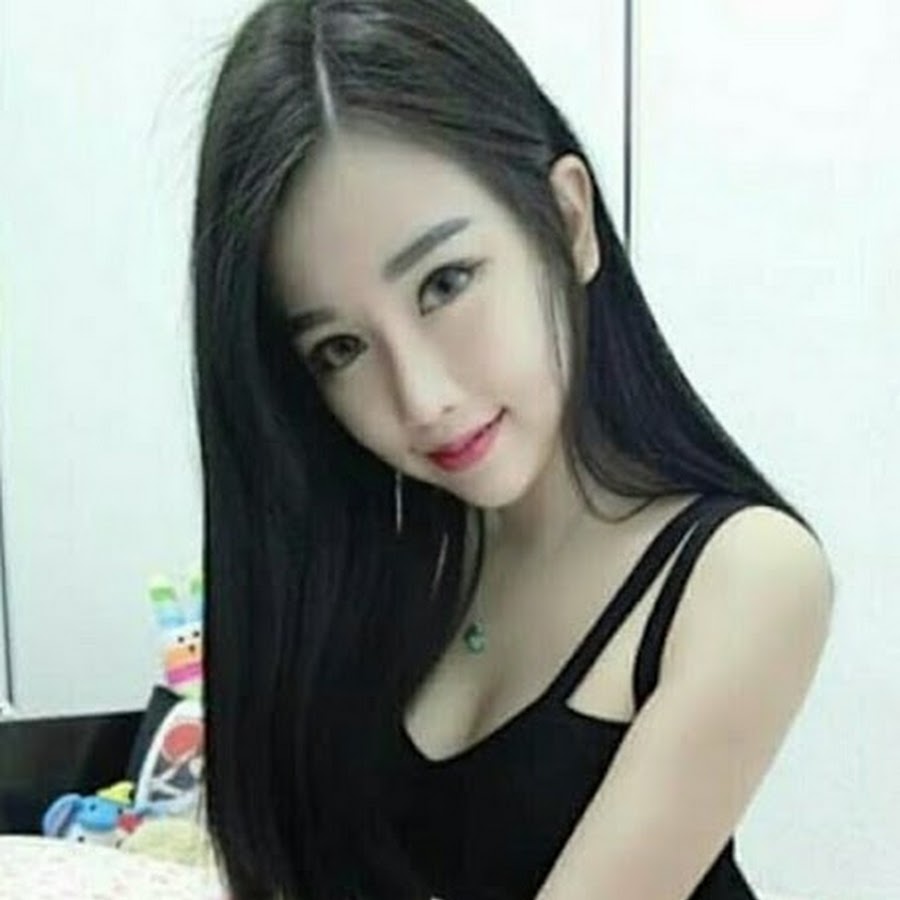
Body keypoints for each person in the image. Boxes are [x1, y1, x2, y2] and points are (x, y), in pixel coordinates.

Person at [189, 1, 834, 898]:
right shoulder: (375, 567)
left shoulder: (744, 574)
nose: (422, 399)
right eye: (340, 348)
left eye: (445, 283)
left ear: (567, 220)